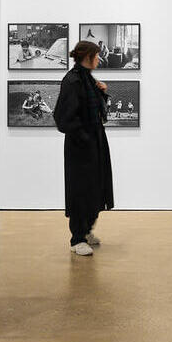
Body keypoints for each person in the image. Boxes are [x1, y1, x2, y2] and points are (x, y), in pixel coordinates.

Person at [53, 41, 114, 256]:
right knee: (81, 191)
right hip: (80, 146)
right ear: (87, 57)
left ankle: (86, 231)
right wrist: (84, 136)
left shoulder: (87, 79)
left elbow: (96, 109)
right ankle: (76, 238)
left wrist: (103, 92)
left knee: (96, 187)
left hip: (94, 141)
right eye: (96, 56)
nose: (99, 59)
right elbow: (62, 118)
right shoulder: (72, 81)